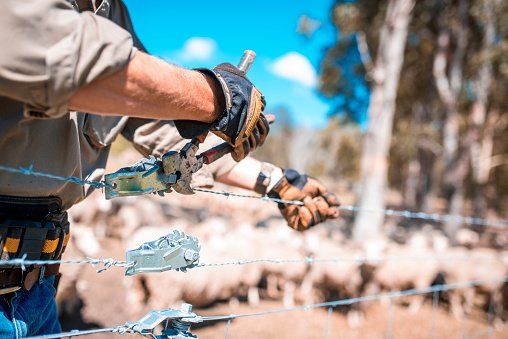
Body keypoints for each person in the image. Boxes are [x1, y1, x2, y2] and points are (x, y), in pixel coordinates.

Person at [0, 0, 340, 336]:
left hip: (37, 289)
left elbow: (162, 130)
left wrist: (274, 181)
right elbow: (59, 57)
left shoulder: (111, 13)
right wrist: (218, 97)